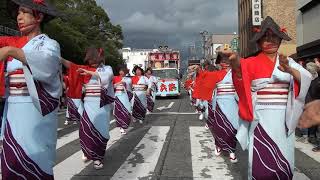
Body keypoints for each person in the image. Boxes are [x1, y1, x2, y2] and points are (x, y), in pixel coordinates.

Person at [221, 16, 312, 179]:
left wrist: (290, 70)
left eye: (274, 37)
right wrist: (235, 63)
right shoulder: (251, 62)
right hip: (261, 117)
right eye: (265, 37)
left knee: (284, 160)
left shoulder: (288, 61)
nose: (270, 40)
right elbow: (240, 76)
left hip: (285, 117)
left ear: (280, 39)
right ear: (259, 42)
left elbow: (306, 78)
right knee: (261, 160)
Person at [0, 0, 62, 178]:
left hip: (35, 110)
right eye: (18, 13)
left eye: (25, 12)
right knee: (12, 161)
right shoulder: (20, 45)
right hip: (13, 108)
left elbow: (48, 66)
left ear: (39, 16)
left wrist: (11, 51)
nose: (19, 17)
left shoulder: (50, 44)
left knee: (35, 156)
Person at [61, 48, 114, 170]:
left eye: (93, 58)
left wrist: (88, 72)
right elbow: (71, 66)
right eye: (89, 59)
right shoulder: (85, 69)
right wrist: (59, 58)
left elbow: (107, 77)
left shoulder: (107, 68)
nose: (91, 61)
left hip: (102, 105)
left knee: (102, 132)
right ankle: (87, 151)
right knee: (85, 130)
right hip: (88, 104)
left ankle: (98, 158)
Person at [205, 53, 240, 163]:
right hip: (220, 102)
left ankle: (232, 151)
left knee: (233, 128)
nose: (224, 62)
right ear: (220, 63)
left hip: (233, 103)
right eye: (222, 60)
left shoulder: (236, 73)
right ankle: (218, 145)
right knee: (219, 127)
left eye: (227, 60)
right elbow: (208, 85)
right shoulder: (216, 74)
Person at [113, 66, 132, 135]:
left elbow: (130, 89)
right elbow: (111, 86)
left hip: (125, 97)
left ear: (125, 72)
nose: (121, 72)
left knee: (126, 111)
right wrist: (117, 84)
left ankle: (124, 125)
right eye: (120, 70)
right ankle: (121, 127)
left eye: (123, 71)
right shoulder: (115, 78)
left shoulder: (128, 79)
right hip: (117, 97)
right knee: (118, 112)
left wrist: (125, 84)